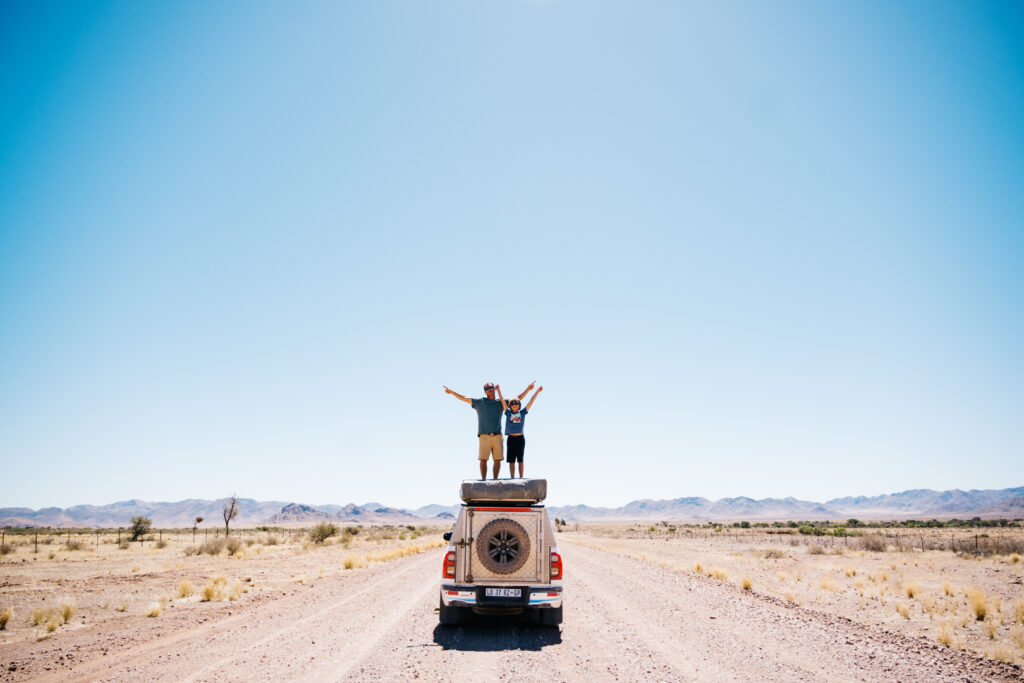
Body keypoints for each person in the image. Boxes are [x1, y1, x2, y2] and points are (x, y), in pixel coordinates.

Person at [443, 381, 536, 479]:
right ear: (485, 391)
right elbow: (464, 398)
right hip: (484, 435)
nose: (490, 389)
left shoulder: (499, 402)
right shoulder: (479, 402)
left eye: (492, 387)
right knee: (483, 460)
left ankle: (495, 481)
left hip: (497, 435)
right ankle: (484, 481)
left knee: (497, 460)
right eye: (488, 388)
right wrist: (452, 392)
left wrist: (528, 389)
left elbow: (518, 399)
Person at [497, 384, 542, 478]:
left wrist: (537, 391)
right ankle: (512, 478)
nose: (514, 405)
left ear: (519, 405)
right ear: (510, 406)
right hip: (511, 438)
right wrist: (498, 391)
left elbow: (531, 402)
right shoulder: (508, 413)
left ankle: (521, 477)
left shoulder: (522, 412)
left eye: (516, 403)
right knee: (511, 460)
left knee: (520, 459)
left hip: (520, 438)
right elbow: (502, 401)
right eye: (512, 403)